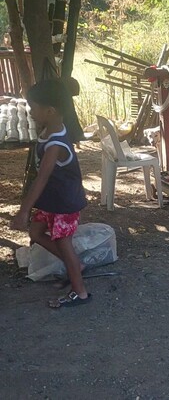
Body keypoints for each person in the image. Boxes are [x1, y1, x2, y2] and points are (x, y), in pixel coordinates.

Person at [10, 79, 91, 307]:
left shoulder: (56, 143)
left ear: (50, 110)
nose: (30, 111)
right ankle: (76, 265)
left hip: (64, 204)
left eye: (33, 107)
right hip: (52, 200)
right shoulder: (51, 129)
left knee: (65, 245)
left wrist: (23, 211)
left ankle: (80, 292)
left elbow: (42, 177)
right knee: (36, 233)